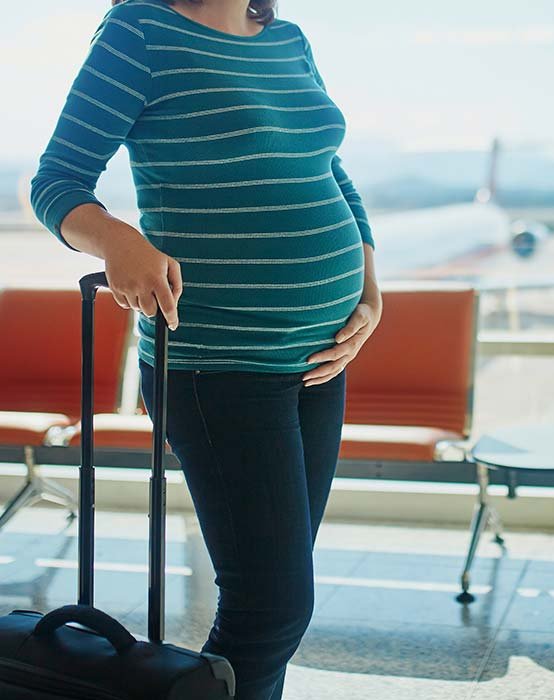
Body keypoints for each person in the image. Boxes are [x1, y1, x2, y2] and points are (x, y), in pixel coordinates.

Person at [29, 1, 383, 697]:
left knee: (277, 604)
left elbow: (331, 171)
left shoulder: (287, 38)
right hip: (216, 363)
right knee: (272, 607)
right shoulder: (141, 30)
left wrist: (370, 290)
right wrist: (120, 240)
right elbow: (56, 183)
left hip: (319, 362)